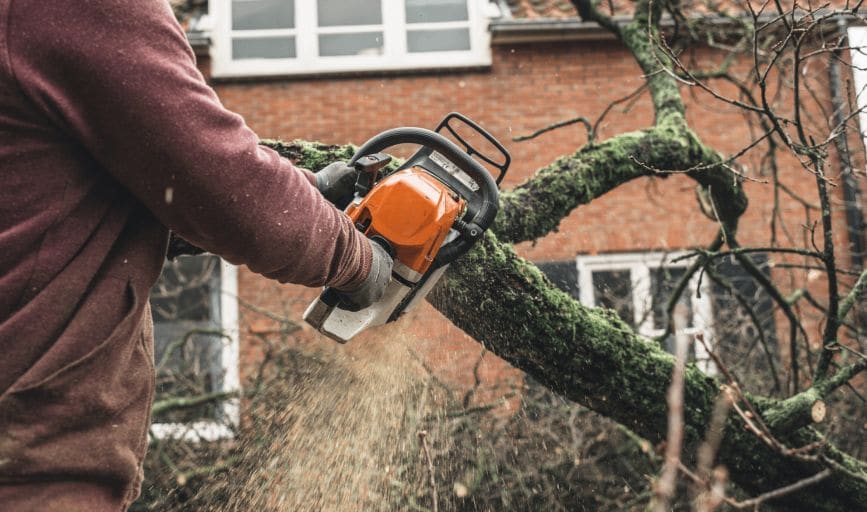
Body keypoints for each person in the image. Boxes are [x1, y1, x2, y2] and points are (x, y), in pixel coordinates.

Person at [0, 0, 393, 510]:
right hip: (30, 471)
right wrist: (360, 262)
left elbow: (58, 198)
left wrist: (306, 191)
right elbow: (220, 184)